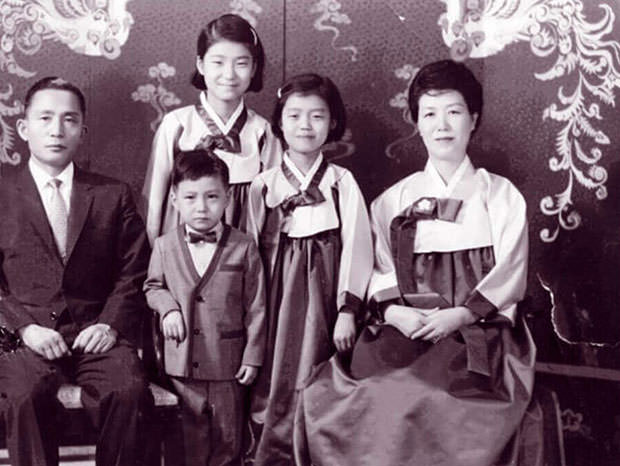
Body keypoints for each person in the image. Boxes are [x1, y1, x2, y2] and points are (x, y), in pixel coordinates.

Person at [294, 60, 537, 466]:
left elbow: (511, 270)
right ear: (417, 123)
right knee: (351, 393)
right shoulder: (391, 201)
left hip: (479, 332)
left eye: (454, 112)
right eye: (429, 114)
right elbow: (379, 269)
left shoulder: (501, 196)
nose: (442, 125)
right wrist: (394, 312)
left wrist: (460, 315)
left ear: (473, 119)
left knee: (439, 398)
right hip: (408, 329)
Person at [0, 77, 151, 466]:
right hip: (24, 335)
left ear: (82, 131)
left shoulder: (112, 194)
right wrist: (24, 328)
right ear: (23, 127)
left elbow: (134, 270)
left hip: (95, 332)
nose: (56, 130)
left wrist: (109, 325)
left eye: (68, 120)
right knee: (25, 395)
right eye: (45, 118)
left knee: (129, 390)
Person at [247, 73, 373, 465]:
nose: (305, 125)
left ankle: (315, 451)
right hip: (274, 299)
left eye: (317, 116)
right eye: (295, 115)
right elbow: (248, 255)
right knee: (272, 372)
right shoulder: (262, 186)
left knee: (319, 375)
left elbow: (357, 247)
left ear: (332, 123)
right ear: (279, 122)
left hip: (325, 299)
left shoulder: (340, 182)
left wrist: (348, 310)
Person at [143, 149, 266, 466]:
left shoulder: (244, 245)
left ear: (227, 198)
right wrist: (168, 307)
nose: (201, 207)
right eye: (190, 197)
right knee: (186, 440)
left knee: (228, 440)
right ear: (174, 200)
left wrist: (252, 356)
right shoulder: (164, 245)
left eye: (212, 197)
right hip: (181, 364)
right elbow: (152, 287)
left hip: (227, 363)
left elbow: (256, 306)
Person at [141, 13, 282, 244]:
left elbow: (273, 208)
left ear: (254, 68)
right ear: (201, 64)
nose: (229, 74)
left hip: (241, 257)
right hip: (181, 251)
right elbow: (154, 201)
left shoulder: (262, 131)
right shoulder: (176, 125)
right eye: (218, 62)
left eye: (241, 63)